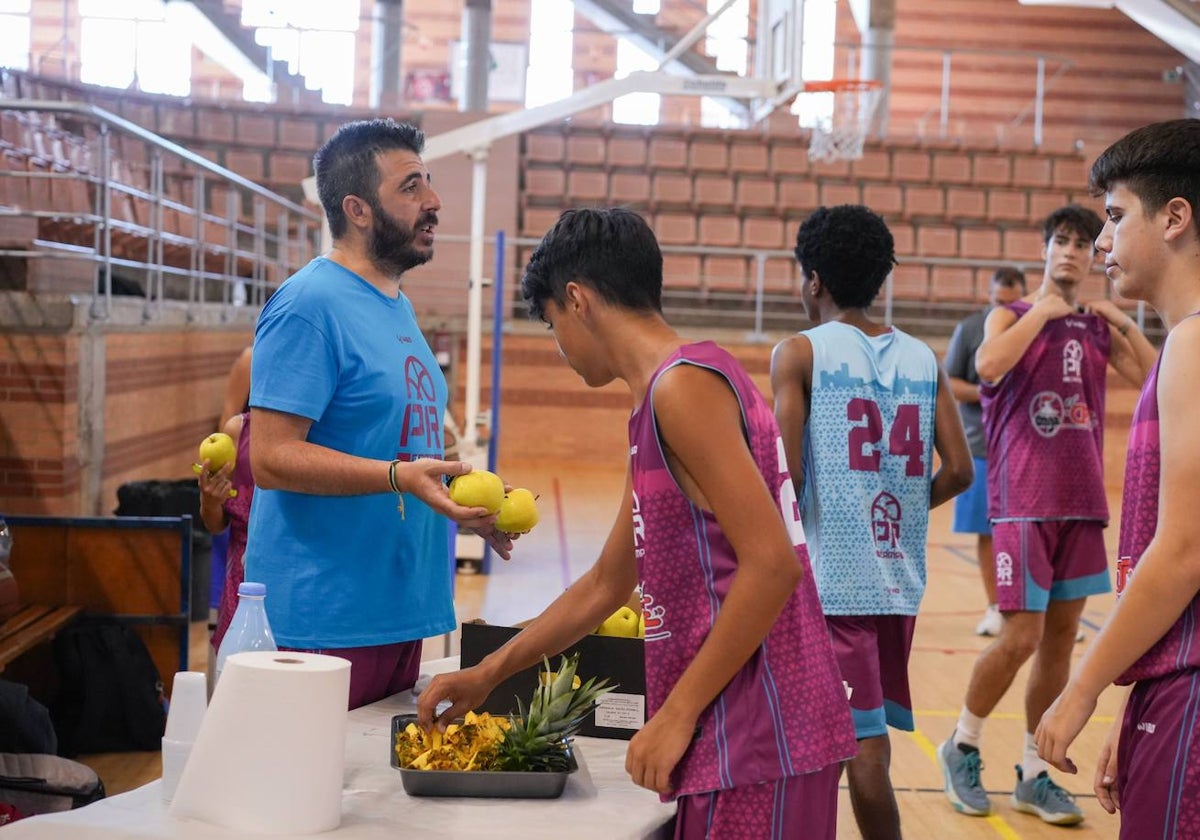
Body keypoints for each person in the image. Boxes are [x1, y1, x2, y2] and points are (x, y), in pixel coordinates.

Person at [417, 208, 857, 838]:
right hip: (735, 728)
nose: (559, 345)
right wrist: (487, 673)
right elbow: (605, 584)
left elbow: (772, 564)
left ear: (578, 300)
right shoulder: (663, 395)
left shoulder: (683, 390)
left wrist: (675, 715)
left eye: (551, 324)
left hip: (763, 729)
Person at [244, 118, 512, 710]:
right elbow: (271, 457)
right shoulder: (309, 305)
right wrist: (399, 476)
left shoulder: (398, 307)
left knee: (378, 801)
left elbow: (396, 451)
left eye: (429, 184)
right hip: (323, 620)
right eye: (411, 187)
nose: (434, 202)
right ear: (358, 210)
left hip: (397, 610)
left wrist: (457, 499)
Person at [938, 204, 1157, 825]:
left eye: (1083, 244)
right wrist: (1041, 310)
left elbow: (1154, 379)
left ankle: (1034, 771)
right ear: (1044, 250)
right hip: (1022, 503)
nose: (1071, 252)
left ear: (1094, 257)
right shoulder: (1008, 314)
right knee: (1020, 637)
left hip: (1083, 503)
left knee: (1059, 643)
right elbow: (985, 367)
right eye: (1061, 241)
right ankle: (963, 743)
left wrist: (1125, 324)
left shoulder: (1095, 327)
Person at [770, 204, 974, 840]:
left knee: (858, 755)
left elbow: (788, 481)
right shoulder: (921, 358)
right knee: (848, 742)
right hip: (898, 586)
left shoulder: (798, 353)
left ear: (813, 280)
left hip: (832, 588)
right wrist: (905, 509)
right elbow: (961, 472)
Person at [1034, 119, 1200, 839]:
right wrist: (1139, 698)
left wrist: (1081, 689)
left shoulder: (1195, 343)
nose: (1100, 243)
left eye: (1113, 216)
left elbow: (1185, 550)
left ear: (1174, 218)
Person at [944, 267, 1027, 637]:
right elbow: (951, 382)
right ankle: (995, 607)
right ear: (989, 296)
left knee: (1033, 531)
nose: (1004, 308)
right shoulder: (970, 328)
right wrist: (989, 393)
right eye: (998, 302)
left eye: (1012, 303)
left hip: (1028, 446)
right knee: (987, 532)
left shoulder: (1035, 328)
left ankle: (1040, 609)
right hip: (982, 446)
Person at [197, 410, 254, 651]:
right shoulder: (239, 430)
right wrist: (210, 501)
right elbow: (216, 523)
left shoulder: (328, 432)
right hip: (244, 579)